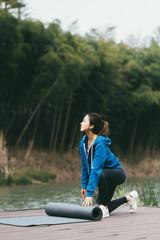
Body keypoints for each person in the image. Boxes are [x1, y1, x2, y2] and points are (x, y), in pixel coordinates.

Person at [79, 112, 138, 218]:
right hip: (104, 176)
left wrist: (90, 193)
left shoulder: (100, 144)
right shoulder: (83, 142)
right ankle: (129, 197)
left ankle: (105, 206)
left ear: (91, 126)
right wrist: (84, 185)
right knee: (101, 208)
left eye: (84, 121)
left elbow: (96, 169)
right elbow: (85, 166)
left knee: (100, 175)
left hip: (117, 173)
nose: (81, 123)